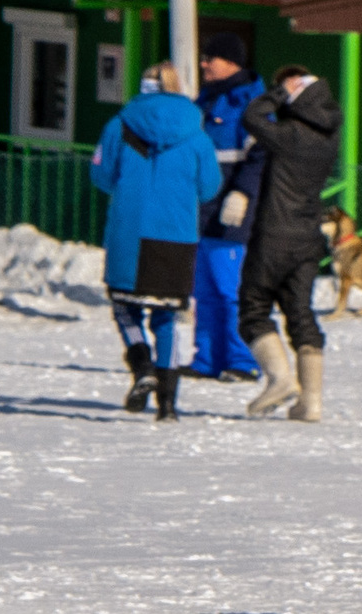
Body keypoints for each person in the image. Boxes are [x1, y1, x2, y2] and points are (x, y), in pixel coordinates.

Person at [87, 63, 221, 424]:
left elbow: (100, 174)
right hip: (176, 233)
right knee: (167, 316)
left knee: (124, 306)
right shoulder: (197, 134)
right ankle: (168, 405)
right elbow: (210, 187)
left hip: (130, 229)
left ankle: (141, 364)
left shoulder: (119, 125)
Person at [237, 65, 339, 422]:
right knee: (300, 313)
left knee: (252, 308)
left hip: (273, 235)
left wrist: (277, 94)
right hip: (308, 237)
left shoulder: (290, 133)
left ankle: (280, 380)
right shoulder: (331, 133)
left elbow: (251, 116)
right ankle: (310, 402)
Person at [191, 33, 263, 381]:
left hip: (233, 214)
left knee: (229, 290)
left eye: (211, 58)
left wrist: (243, 193)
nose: (204, 64)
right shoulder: (205, 99)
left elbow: (261, 155)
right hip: (203, 210)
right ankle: (206, 359)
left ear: (231, 61)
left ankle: (242, 361)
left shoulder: (251, 102)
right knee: (204, 291)